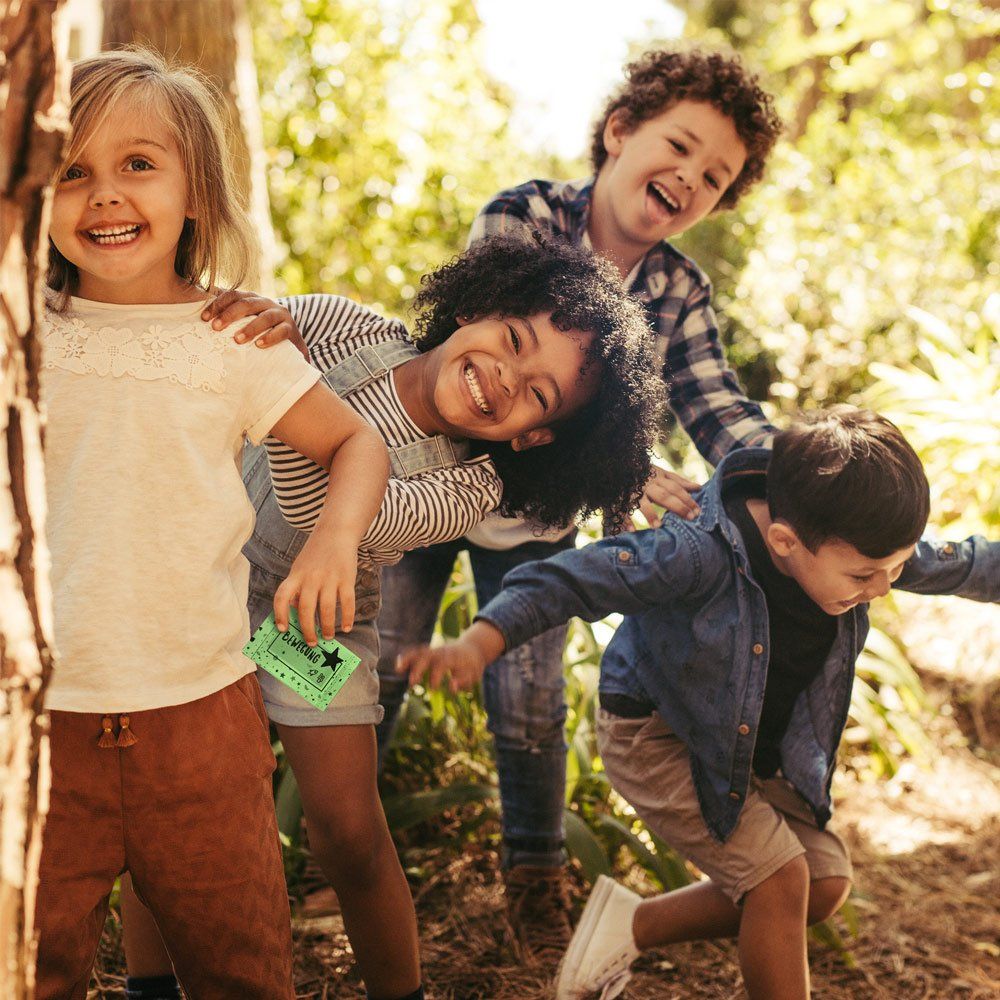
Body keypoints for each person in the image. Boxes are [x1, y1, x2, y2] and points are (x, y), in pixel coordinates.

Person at [119, 232, 664, 1000]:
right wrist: (251, 325)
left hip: (309, 625)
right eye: (513, 339)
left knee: (346, 830)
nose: (506, 377)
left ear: (534, 437)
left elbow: (336, 517)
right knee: (167, 800)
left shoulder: (470, 488)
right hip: (196, 581)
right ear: (474, 308)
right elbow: (241, 335)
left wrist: (277, 387)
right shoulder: (350, 330)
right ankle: (149, 986)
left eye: (540, 395)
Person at [376, 46, 784, 952]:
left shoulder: (677, 288)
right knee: (375, 660)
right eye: (678, 146)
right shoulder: (522, 217)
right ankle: (339, 844)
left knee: (527, 699)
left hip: (533, 524)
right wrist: (622, 466)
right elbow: (474, 354)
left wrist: (794, 474)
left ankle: (534, 878)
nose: (689, 176)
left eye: (715, 177)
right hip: (424, 485)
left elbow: (717, 405)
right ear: (619, 132)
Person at [398, 407, 1000, 1000]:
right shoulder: (698, 552)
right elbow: (574, 579)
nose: (884, 588)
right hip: (657, 737)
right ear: (785, 541)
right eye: (868, 576)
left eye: (895, 569)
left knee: (821, 882)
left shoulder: (853, 543)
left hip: (740, 747)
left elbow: (965, 562)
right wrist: (480, 641)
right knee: (780, 879)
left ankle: (630, 925)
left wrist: (895, 566)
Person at [37, 48, 390, 1000]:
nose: (104, 195)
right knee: (33, 968)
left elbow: (359, 444)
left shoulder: (234, 341)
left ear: (197, 191)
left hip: (203, 721)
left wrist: (329, 545)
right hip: (41, 726)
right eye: (74, 171)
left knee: (241, 967)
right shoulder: (22, 330)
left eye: (139, 164)